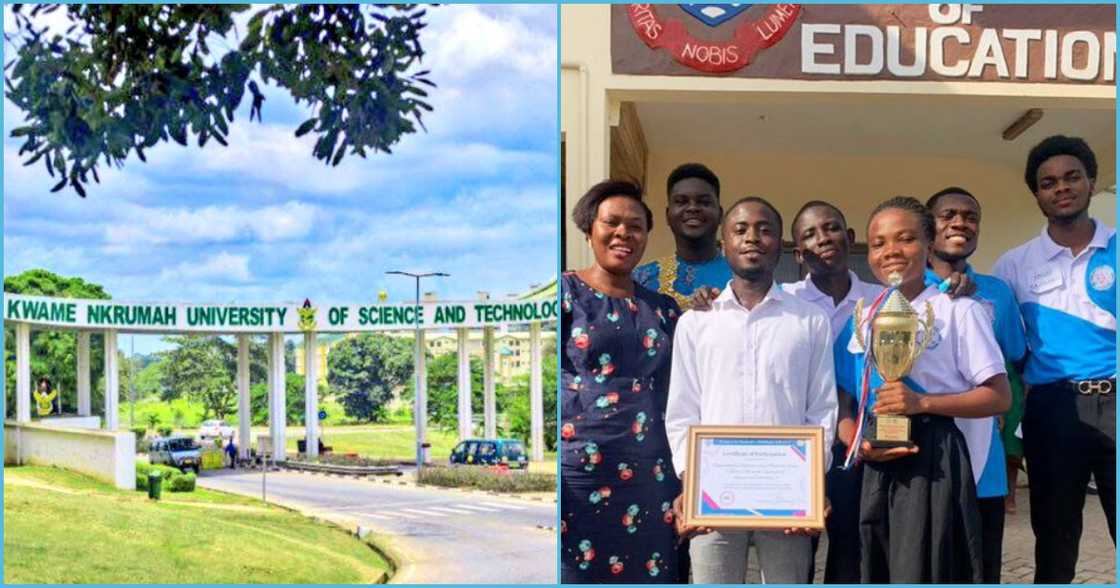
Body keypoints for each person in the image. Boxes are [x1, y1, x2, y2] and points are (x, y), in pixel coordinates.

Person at [837, 196, 1011, 583]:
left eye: (906, 239)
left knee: (938, 569)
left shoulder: (959, 310)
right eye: (878, 243)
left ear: (929, 246)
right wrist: (858, 444)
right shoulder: (864, 317)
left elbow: (1000, 395)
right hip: (881, 467)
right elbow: (845, 399)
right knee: (886, 570)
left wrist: (922, 402)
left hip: (944, 466)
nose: (891, 251)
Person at [665, 196, 838, 584]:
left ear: (781, 244)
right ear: (723, 243)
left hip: (788, 496)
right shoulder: (696, 322)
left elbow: (822, 408)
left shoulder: (810, 320)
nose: (752, 238)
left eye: (765, 230)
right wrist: (691, 482)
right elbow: (682, 411)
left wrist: (811, 485)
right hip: (713, 496)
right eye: (740, 230)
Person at [992, 135, 1116, 583]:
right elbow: (1008, 343)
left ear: (1091, 182)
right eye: (1048, 182)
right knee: (1055, 537)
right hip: (1053, 409)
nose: (1061, 188)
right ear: (1037, 194)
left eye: (1072, 177)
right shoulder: (1014, 265)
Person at [561, 179, 683, 583]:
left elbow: (680, 391)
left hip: (651, 477)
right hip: (579, 475)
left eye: (635, 226)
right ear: (588, 229)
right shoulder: (565, 295)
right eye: (611, 222)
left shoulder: (664, 309)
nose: (623, 234)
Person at [925, 186, 1028, 583]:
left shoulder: (997, 292)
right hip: (924, 453)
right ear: (928, 227)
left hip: (983, 453)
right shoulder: (905, 292)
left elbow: (1012, 360)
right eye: (948, 215)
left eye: (970, 217)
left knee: (980, 564)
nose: (960, 223)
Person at [783, 201, 883, 583]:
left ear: (850, 238)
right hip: (799, 447)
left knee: (851, 553)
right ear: (798, 253)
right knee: (794, 556)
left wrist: (954, 283)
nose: (823, 238)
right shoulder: (784, 301)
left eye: (831, 228)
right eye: (809, 235)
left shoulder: (882, 301)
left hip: (857, 446)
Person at [633, 163, 730, 310]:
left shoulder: (743, 278)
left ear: (720, 214)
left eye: (704, 202)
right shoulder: (641, 279)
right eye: (681, 202)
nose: (692, 208)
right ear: (667, 215)